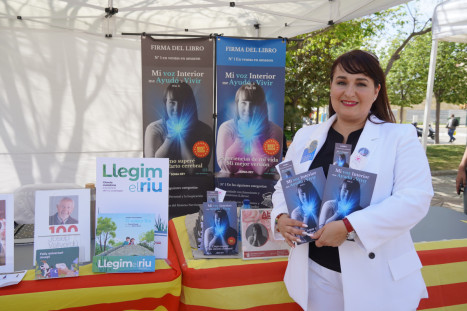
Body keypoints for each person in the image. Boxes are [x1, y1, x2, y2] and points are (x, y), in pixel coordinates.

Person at [271, 50, 433, 311]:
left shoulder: (400, 137)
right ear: (331, 86)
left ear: (376, 90)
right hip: (316, 273)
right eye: (342, 81)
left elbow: (415, 199)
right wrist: (280, 218)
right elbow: (282, 186)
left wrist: (349, 226)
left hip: (379, 278)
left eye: (361, 83)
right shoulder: (305, 136)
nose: (349, 92)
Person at [216, 83, 283, 175]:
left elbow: (262, 170)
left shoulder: (275, 130)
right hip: (230, 183)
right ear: (237, 105)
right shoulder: (226, 127)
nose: (248, 109)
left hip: (262, 185)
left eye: (253, 104)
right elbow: (228, 168)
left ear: (262, 106)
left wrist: (255, 134)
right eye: (244, 103)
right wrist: (241, 137)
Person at [144, 82, 212, 168]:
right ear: (165, 103)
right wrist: (170, 137)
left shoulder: (204, 131)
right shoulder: (154, 128)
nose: (176, 108)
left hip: (193, 181)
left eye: (182, 102)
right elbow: (152, 167)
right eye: (172, 102)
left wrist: (181, 136)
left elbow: (194, 169)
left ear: (190, 104)